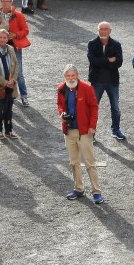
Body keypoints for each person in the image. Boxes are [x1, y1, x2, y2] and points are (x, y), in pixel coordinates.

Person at [56, 65, 102, 204]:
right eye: (68, 76)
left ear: (77, 75)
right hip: (69, 131)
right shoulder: (61, 88)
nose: (70, 78)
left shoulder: (87, 88)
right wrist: (62, 113)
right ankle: (79, 188)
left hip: (84, 132)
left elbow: (94, 107)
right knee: (73, 162)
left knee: (90, 162)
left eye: (73, 75)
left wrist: (92, 126)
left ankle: (96, 192)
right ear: (65, 77)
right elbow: (60, 105)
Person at [86, 21, 125, 141]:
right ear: (98, 31)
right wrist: (109, 60)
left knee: (115, 107)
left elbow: (119, 62)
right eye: (101, 29)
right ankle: (91, 132)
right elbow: (92, 61)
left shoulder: (116, 44)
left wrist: (101, 62)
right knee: (93, 107)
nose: (103, 31)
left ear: (110, 31)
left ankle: (116, 130)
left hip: (112, 81)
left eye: (105, 29)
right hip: (97, 81)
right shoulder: (92, 44)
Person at [0, 0, 31, 103]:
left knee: (18, 72)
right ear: (1, 2)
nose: (5, 3)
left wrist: (15, 35)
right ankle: (9, 95)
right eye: (3, 1)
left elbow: (26, 30)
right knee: (3, 71)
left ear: (11, 2)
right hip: (1, 47)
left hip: (15, 47)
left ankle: (24, 96)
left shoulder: (19, 15)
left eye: (8, 1)